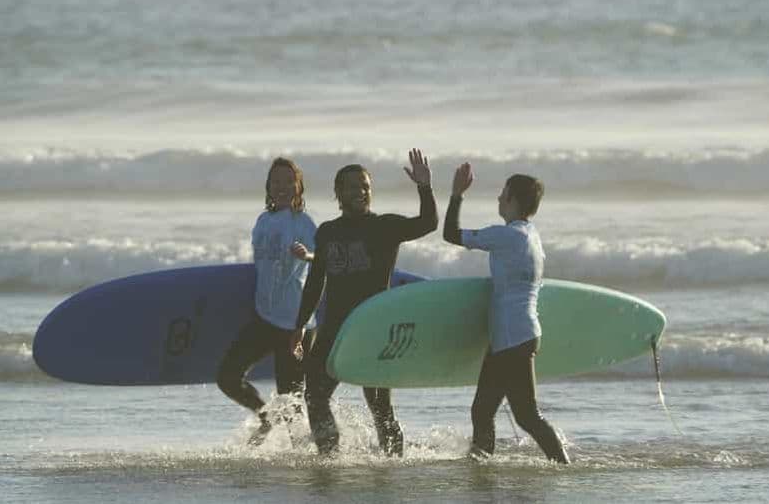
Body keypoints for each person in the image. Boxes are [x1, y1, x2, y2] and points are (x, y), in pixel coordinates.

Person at [290, 148, 438, 457]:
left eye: (365, 186)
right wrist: (300, 325)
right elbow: (316, 281)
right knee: (315, 396)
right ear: (339, 194)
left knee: (380, 406)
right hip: (335, 329)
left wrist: (424, 186)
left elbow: (428, 223)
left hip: (373, 328)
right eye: (353, 186)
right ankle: (329, 457)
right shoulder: (328, 232)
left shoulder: (384, 226)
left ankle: (393, 463)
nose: (360, 192)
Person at [443, 162, 570, 464]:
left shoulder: (507, 235)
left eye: (503, 194)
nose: (498, 199)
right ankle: (483, 464)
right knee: (490, 410)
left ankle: (561, 465)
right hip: (517, 335)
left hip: (512, 339)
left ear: (513, 200)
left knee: (524, 415)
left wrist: (456, 195)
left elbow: (450, 234)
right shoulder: (532, 236)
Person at [217, 157, 317, 446]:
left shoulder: (304, 223)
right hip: (263, 316)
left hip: (295, 324)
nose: (282, 186)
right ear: (268, 187)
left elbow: (323, 258)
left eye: (288, 181)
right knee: (227, 377)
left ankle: (307, 459)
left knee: (292, 401)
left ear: (298, 186)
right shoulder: (262, 221)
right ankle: (264, 417)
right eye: (276, 181)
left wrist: (307, 256)